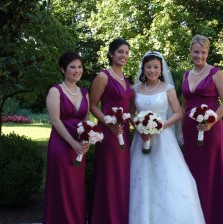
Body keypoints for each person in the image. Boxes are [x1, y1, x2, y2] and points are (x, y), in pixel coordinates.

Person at [129, 51, 206, 224]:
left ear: (161, 69)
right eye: (148, 67)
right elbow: (131, 113)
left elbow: (179, 113)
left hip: (164, 139)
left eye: (156, 67)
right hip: (141, 138)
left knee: (168, 178)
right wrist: (140, 128)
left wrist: (160, 126)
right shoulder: (136, 89)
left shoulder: (167, 89)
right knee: (141, 179)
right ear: (143, 69)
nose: (152, 70)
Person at [181, 34, 223, 224]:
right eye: (196, 51)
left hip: (211, 130)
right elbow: (184, 106)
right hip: (190, 131)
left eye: (203, 52)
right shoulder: (186, 75)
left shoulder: (215, 73)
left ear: (207, 52)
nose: (199, 56)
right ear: (190, 52)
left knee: (210, 174)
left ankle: (213, 218)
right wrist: (181, 131)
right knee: (191, 173)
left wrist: (211, 120)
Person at [89, 38, 133, 224]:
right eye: (120, 52)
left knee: (122, 175)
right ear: (111, 54)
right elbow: (93, 105)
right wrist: (108, 124)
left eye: (126, 52)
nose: (124, 55)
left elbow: (130, 107)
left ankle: (120, 217)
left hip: (125, 132)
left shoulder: (126, 79)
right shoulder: (103, 77)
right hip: (108, 133)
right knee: (109, 175)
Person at [43, 52, 90, 224]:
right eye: (72, 67)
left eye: (79, 67)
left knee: (76, 188)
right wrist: (73, 143)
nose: (77, 70)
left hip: (79, 147)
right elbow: (55, 120)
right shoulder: (55, 91)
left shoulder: (84, 92)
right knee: (62, 187)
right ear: (63, 69)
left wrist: (87, 140)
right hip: (61, 145)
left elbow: (86, 120)